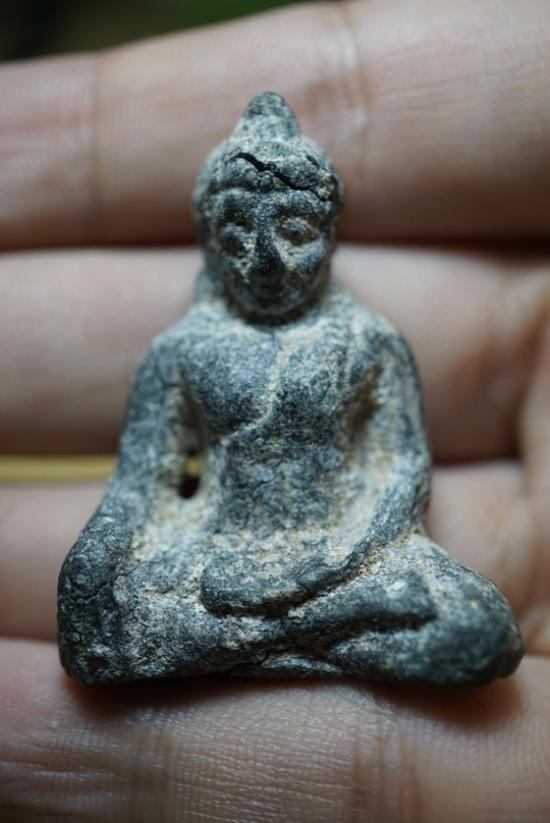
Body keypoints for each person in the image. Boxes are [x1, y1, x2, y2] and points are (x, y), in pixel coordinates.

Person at [1, 0, 550, 818]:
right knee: (93, 625)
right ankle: (317, 630)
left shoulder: (367, 340)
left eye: (294, 229)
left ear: (329, 231)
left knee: (479, 632)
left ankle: (259, 637)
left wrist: (338, 562)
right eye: (236, 235)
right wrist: (91, 567)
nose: (265, 260)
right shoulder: (183, 349)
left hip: (346, 553)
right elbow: (140, 488)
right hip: (218, 553)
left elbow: (401, 469)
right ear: (208, 239)